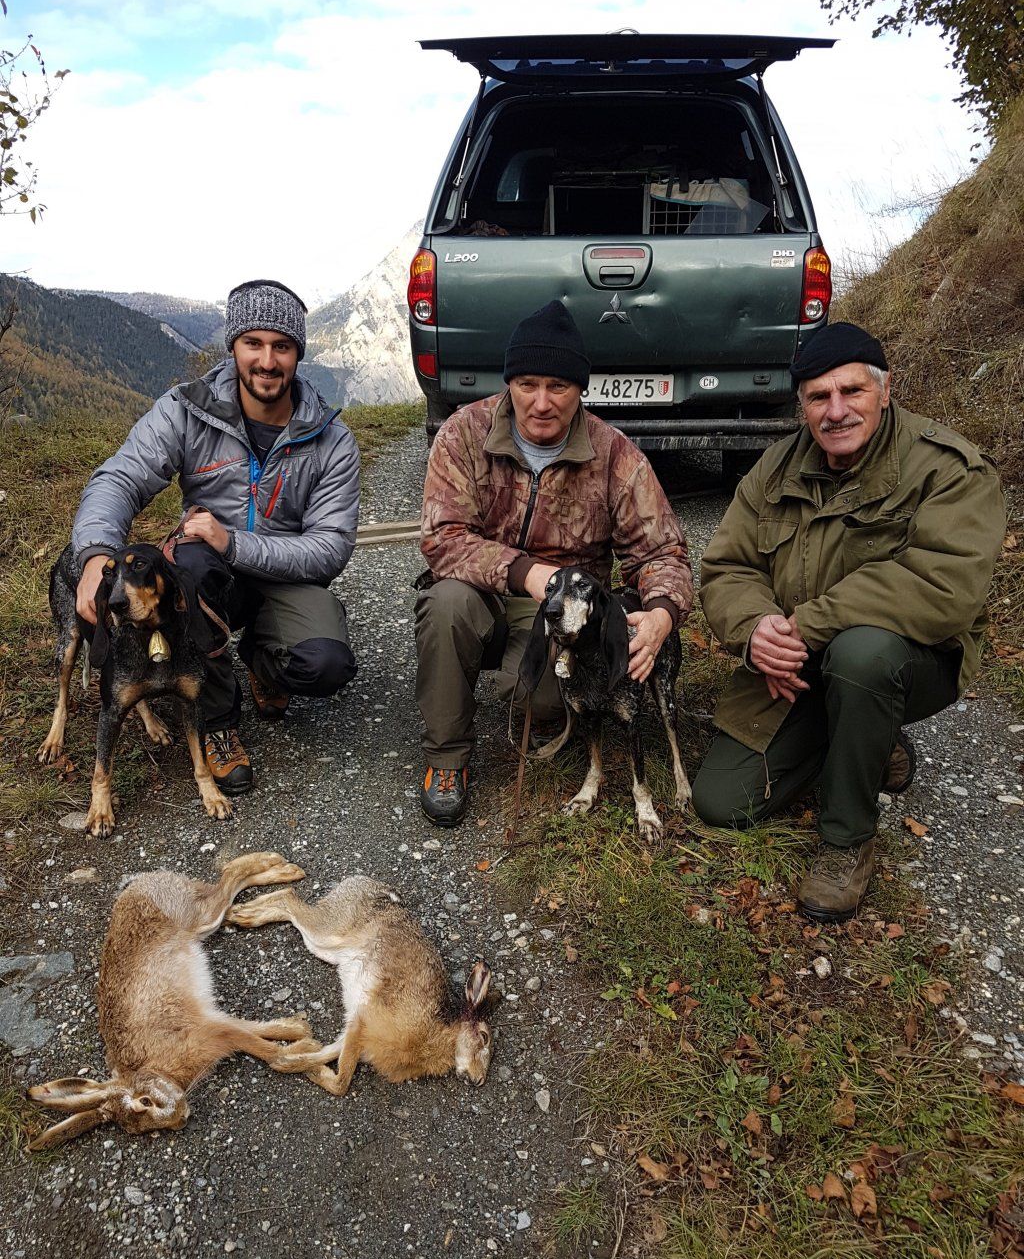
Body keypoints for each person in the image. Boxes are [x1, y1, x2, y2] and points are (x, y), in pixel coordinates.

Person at [692, 322, 1005, 921]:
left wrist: (805, 627)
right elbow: (727, 565)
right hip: (802, 661)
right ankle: (864, 738)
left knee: (863, 655)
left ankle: (847, 841)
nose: (836, 411)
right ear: (802, 406)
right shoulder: (775, 469)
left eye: (851, 392)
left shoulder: (950, 468)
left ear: (884, 391)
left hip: (909, 660)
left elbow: (942, 586)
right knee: (721, 802)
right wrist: (759, 628)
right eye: (818, 397)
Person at [72, 278, 359, 795]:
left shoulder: (332, 440)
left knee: (326, 663)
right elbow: (120, 477)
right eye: (254, 343)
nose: (267, 361)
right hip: (208, 573)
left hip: (282, 574)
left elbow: (329, 550)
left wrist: (235, 542)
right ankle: (220, 725)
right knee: (192, 570)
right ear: (233, 347)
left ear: (298, 355)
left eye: (282, 346)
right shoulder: (186, 410)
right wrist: (95, 553)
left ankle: (263, 663)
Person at [415, 299, 693, 826]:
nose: (541, 403)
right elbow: (442, 538)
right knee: (445, 605)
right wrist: (528, 574)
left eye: (558, 387)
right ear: (509, 384)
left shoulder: (616, 456)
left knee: (541, 699)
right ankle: (446, 759)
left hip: (562, 615)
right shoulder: (463, 434)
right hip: (478, 592)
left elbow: (664, 552)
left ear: (580, 390)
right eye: (527, 384)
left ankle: (531, 701)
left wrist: (660, 612)